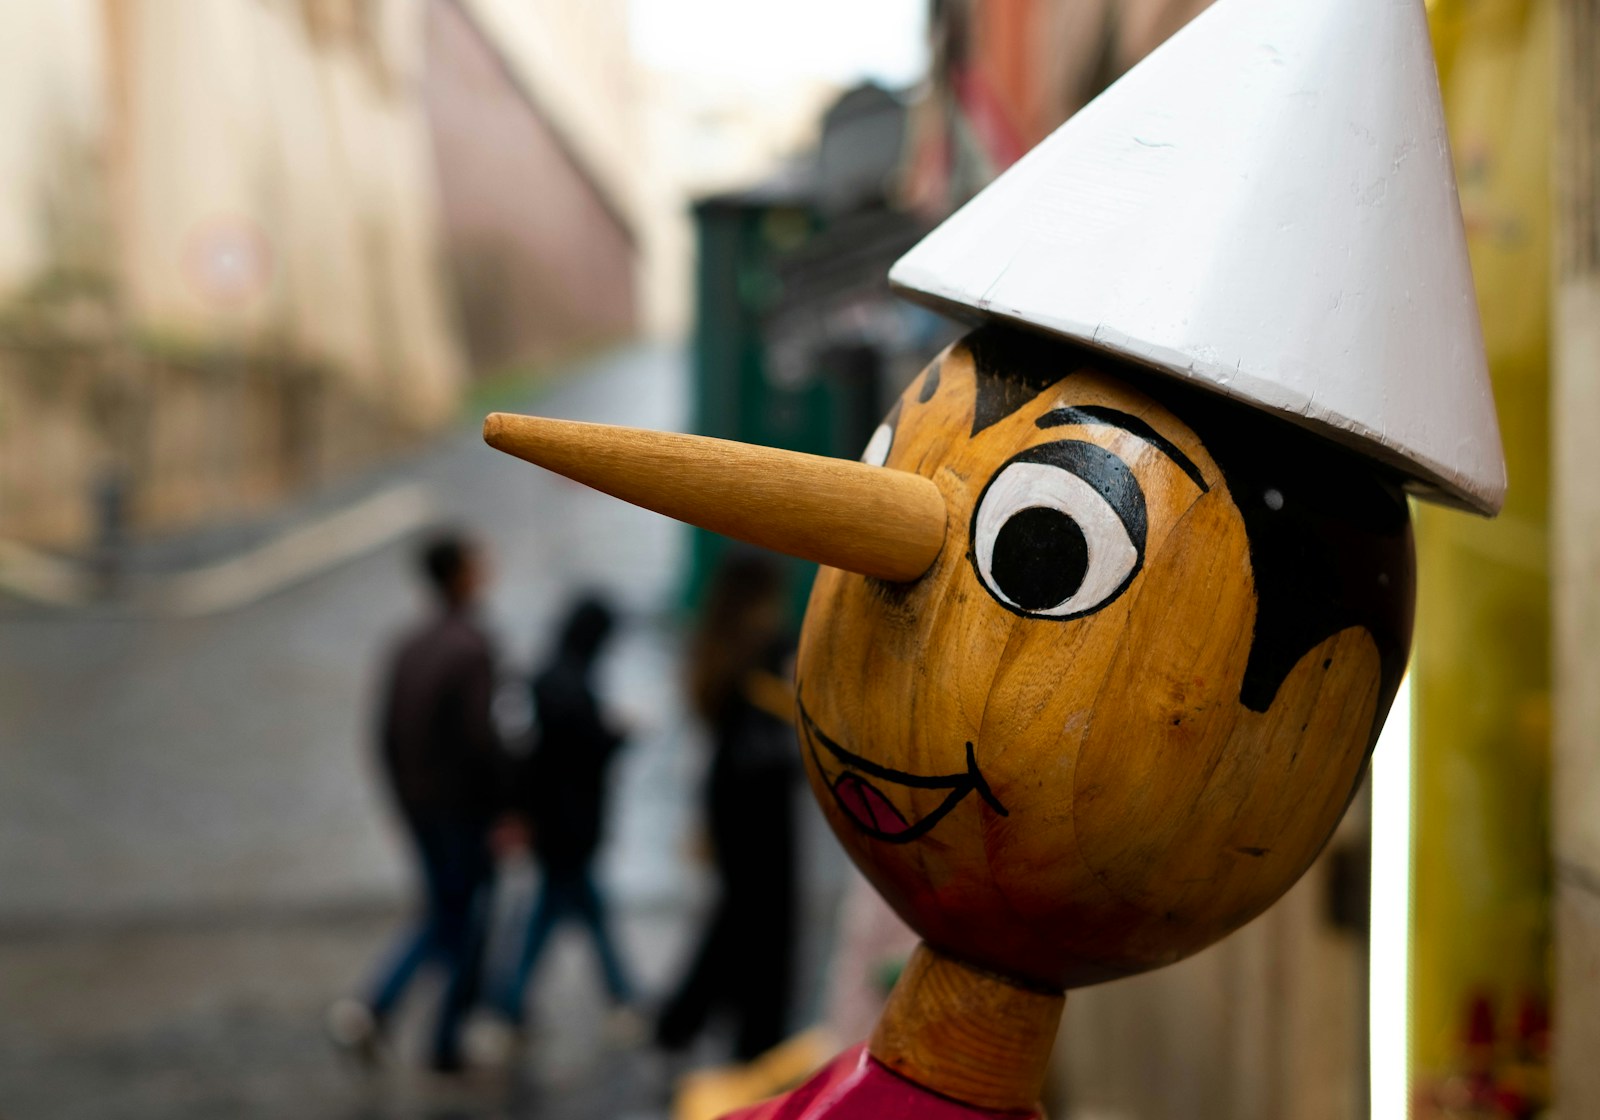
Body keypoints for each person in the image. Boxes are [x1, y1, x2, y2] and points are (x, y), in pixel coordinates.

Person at [329, 530, 508, 1073]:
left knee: (444, 916)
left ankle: (378, 1012)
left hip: (422, 809)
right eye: (478, 561)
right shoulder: (473, 646)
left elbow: (383, 733)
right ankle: (434, 1037)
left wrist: (403, 804)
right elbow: (484, 740)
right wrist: (506, 809)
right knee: (461, 920)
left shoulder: (408, 642)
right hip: (462, 813)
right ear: (459, 575)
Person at [656, 553, 800, 1062]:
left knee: (738, 912)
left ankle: (684, 1022)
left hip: (729, 791)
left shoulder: (718, 643)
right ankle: (756, 1037)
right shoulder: (767, 646)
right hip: (763, 797)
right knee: (768, 918)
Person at [495, 595, 636, 1027]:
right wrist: (618, 737)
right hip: (571, 823)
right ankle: (512, 1001)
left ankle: (619, 993)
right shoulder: (575, 688)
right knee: (568, 914)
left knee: (571, 912)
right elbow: (585, 752)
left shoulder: (546, 678)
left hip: (552, 821)